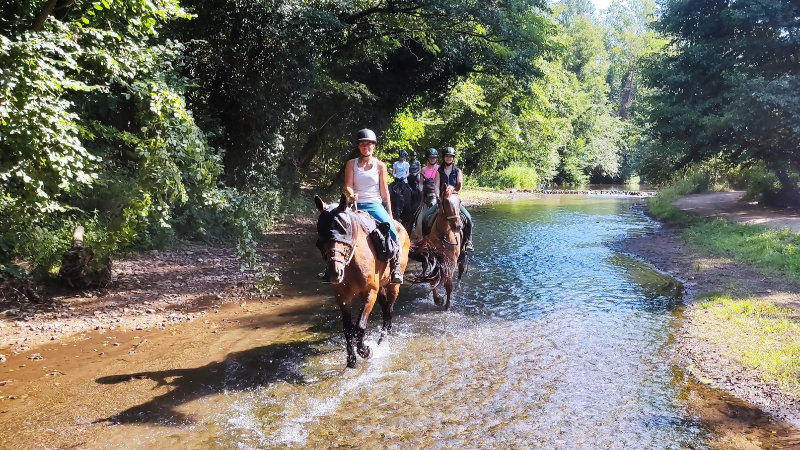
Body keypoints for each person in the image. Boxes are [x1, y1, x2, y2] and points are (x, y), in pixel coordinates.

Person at [343, 128, 403, 284]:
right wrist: (351, 194)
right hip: (356, 204)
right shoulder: (351, 164)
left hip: (374, 205)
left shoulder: (380, 166)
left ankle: (396, 267)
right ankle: (331, 267)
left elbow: (384, 192)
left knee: (393, 232)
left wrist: (389, 213)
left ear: (374, 146)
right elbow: (348, 186)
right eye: (363, 144)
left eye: (369, 144)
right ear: (359, 146)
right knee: (336, 228)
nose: (366, 147)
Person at [423, 146, 474, 252]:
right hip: (443, 201)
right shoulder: (439, 171)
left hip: (454, 201)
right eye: (446, 156)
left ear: (453, 158)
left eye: (450, 156)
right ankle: (425, 242)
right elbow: (436, 185)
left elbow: (459, 187)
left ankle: (468, 242)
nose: (448, 158)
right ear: (444, 157)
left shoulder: (458, 171)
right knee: (425, 218)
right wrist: (437, 196)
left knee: (468, 218)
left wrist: (454, 195)